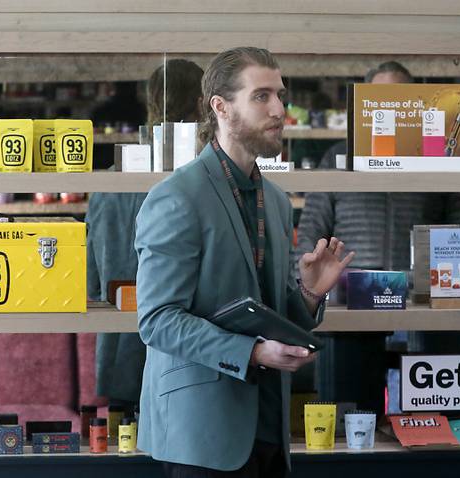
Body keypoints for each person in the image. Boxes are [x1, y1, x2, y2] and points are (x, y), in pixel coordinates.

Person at [135, 47, 354, 477]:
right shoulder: (175, 198)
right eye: (262, 96)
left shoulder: (273, 201)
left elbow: (265, 318)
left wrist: (309, 293)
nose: (278, 110)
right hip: (201, 436)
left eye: (280, 96)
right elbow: (158, 320)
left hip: (270, 431)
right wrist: (252, 352)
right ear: (221, 107)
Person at [294, 61, 460, 413]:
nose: (391, 107)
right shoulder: (338, 159)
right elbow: (309, 237)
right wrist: (308, 296)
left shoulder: (436, 159)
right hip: (353, 310)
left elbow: (459, 234)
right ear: (366, 105)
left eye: (400, 98)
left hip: (424, 313)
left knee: (434, 422)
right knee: (352, 421)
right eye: (380, 98)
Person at [87, 59, 204, 411]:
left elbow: (91, 276)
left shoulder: (110, 181)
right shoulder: (199, 179)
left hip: (121, 342)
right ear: (203, 102)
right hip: (186, 347)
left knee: (126, 452)